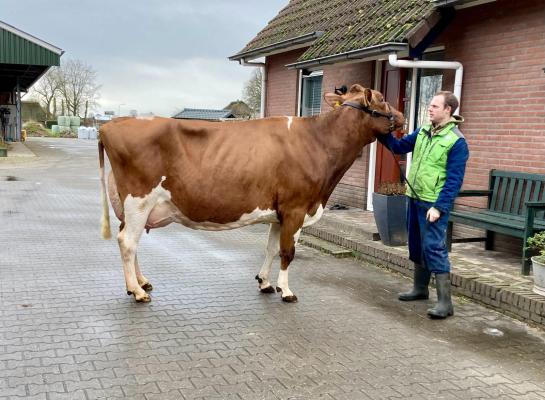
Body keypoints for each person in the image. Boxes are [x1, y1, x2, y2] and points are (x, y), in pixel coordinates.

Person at [377, 91, 469, 319]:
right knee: (417, 245)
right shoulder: (423, 131)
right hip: (414, 197)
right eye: (430, 105)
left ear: (448, 110)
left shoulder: (456, 141)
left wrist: (439, 207)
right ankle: (420, 289)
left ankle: (445, 303)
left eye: (435, 106)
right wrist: (378, 130)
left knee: (434, 248)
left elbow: (454, 180)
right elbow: (398, 147)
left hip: (433, 203)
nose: (430, 109)